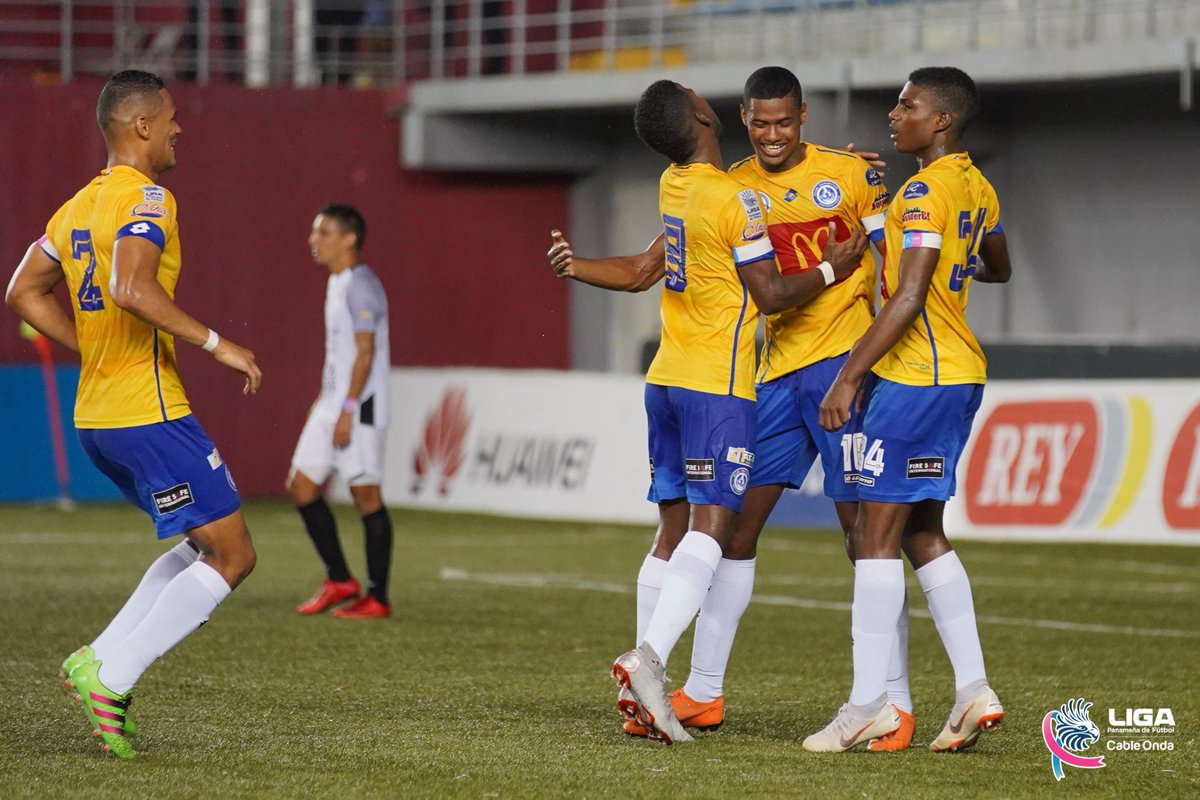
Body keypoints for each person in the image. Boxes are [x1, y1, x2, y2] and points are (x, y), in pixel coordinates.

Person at [550, 66, 919, 750]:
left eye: (784, 122)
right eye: (760, 123)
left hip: (842, 366)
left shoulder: (849, 174)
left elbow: (897, 258)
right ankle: (703, 691)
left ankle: (891, 701)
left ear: (803, 117)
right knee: (734, 532)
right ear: (737, 120)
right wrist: (833, 266)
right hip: (767, 373)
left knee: (864, 535)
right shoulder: (732, 188)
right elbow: (673, 268)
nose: (772, 135)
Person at [4, 69, 262, 759]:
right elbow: (129, 286)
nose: (179, 128)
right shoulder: (148, 197)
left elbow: (22, 291)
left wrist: (90, 348)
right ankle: (113, 679)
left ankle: (97, 658)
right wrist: (218, 343)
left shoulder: (76, 207)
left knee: (205, 542)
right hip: (145, 409)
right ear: (142, 125)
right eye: (171, 117)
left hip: (99, 417)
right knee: (234, 554)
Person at [804, 66, 1012, 753]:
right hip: (958, 374)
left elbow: (910, 294)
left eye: (907, 105)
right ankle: (973, 690)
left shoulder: (923, 192)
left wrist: (848, 377)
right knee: (923, 532)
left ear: (941, 120)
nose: (895, 115)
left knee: (874, 535)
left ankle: (868, 705)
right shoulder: (975, 185)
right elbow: (998, 264)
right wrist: (954, 263)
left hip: (917, 378)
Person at [288, 204, 395, 620]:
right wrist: (324, 402)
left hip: (360, 407)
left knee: (366, 495)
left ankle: (378, 597)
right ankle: (339, 580)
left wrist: (348, 408)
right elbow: (340, 354)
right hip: (333, 404)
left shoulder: (361, 285)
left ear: (349, 239)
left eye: (324, 232)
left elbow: (365, 353)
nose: (313, 240)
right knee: (302, 486)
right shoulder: (337, 281)